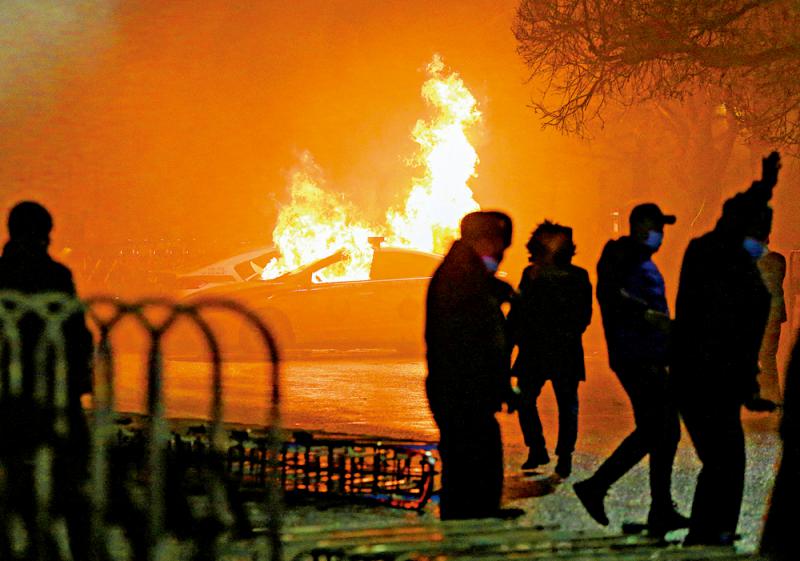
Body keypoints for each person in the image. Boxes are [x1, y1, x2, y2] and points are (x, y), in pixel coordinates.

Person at [672, 152, 781, 546]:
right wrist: (762, 188)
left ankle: (713, 529)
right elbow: (731, 334)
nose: (763, 242)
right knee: (725, 459)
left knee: (726, 459)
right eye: (760, 233)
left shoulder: (730, 265)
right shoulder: (716, 259)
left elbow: (743, 341)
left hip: (715, 379)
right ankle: (709, 531)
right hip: (702, 376)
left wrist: (748, 387)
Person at [573, 203, 687, 535]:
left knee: (663, 431)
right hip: (635, 355)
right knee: (658, 429)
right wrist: (644, 314)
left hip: (649, 354)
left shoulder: (642, 261)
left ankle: (659, 509)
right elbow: (609, 293)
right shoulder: (620, 255)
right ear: (638, 226)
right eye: (655, 227)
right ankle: (597, 486)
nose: (660, 235)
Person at [0, 201, 93, 559]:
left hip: (8, 396)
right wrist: (79, 384)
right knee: (71, 483)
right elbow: (77, 335)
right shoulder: (55, 276)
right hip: (54, 395)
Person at [425, 210, 519, 520]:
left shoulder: (469, 275)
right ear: (484, 241)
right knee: (470, 450)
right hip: (460, 386)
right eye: (500, 245)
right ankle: (467, 517)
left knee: (478, 448)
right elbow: (474, 340)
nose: (501, 255)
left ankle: (478, 510)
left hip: (466, 386)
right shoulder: (461, 278)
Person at [507, 221, 592, 479]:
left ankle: (561, 454)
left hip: (557, 348)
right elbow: (518, 312)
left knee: (564, 404)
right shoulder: (532, 274)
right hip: (539, 349)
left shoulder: (576, 276)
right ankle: (539, 449)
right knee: (531, 400)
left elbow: (583, 315)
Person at [757, 244, 787, 403]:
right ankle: (771, 397)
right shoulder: (778, 260)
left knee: (765, 357)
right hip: (771, 318)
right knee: (767, 357)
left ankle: (771, 398)